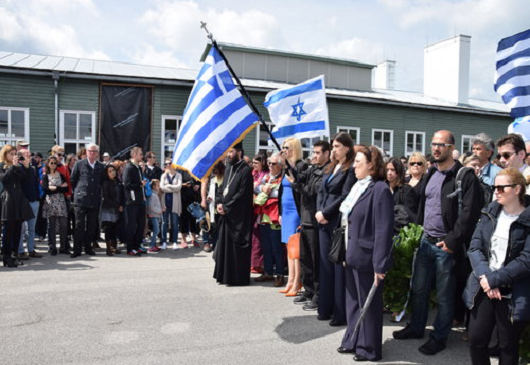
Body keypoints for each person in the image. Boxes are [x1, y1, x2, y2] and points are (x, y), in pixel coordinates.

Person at [393, 130, 483, 356]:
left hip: (446, 246)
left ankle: (440, 336)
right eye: (433, 144)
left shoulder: (464, 176)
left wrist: (451, 241)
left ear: (452, 148)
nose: (436, 148)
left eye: (441, 144)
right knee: (419, 289)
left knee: (444, 295)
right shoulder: (431, 173)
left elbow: (469, 214)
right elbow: (424, 206)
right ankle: (416, 327)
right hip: (426, 241)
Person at [463, 168, 530, 365]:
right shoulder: (490, 211)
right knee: (476, 340)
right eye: (494, 187)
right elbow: (475, 247)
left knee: (508, 347)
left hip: (513, 291)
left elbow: (527, 259)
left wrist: (495, 280)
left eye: (501, 187)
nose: (496, 192)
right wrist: (486, 277)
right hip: (484, 285)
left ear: (517, 189)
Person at [337, 145, 394, 362]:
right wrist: (344, 253)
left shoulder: (379, 190)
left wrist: (380, 265)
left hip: (368, 259)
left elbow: (383, 230)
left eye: (358, 163)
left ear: (371, 165)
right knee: (352, 303)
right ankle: (352, 339)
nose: (353, 167)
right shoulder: (357, 187)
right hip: (352, 254)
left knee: (368, 306)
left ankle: (368, 348)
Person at [316, 132, 357, 326]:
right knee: (325, 267)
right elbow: (321, 191)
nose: (334, 150)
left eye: (337, 147)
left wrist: (326, 214)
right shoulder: (332, 166)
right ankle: (325, 308)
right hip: (322, 219)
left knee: (336, 267)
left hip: (335, 221)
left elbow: (345, 196)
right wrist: (319, 211)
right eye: (333, 147)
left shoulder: (350, 169)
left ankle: (339, 313)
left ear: (347, 148)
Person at [292, 140, 330, 311]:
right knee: (305, 259)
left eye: (317, 153)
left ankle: (318, 294)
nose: (314, 156)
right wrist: (289, 166)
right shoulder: (313, 168)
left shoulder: (326, 171)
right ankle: (308, 290)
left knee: (316, 261)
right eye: (313, 152)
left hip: (316, 222)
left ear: (326, 153)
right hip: (305, 219)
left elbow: (312, 190)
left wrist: (299, 185)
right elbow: (300, 178)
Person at [213, 144, 254, 286]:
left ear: (239, 152)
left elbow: (242, 194)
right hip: (226, 215)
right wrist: (219, 203)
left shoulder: (246, 170)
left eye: (231, 152)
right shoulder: (229, 168)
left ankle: (237, 278)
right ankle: (224, 276)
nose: (228, 155)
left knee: (235, 248)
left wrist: (227, 207)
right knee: (225, 247)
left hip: (238, 217)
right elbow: (222, 188)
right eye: (228, 151)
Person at [280, 137, 308, 293]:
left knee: (295, 247)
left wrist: (287, 165)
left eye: (288, 148)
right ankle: (290, 279)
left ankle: (297, 280)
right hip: (286, 209)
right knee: (288, 246)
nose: (284, 150)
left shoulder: (300, 165)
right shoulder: (287, 166)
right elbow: (281, 190)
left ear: (295, 149)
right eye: (283, 147)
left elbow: (298, 181)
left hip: (296, 210)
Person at [0, 145, 34, 267]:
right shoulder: (2, 166)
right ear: (5, 154)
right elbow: (4, 179)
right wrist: (13, 167)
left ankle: (15, 255)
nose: (14, 156)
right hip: (8, 199)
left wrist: (26, 166)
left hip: (19, 199)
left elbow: (26, 179)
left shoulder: (19, 166)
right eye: (11, 153)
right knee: (8, 230)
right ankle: (7, 256)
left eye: (15, 153)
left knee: (18, 230)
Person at [70, 143, 105, 258]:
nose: (92, 153)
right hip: (80, 200)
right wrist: (78, 192)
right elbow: (73, 180)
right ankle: (77, 249)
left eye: (94, 151)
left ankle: (88, 248)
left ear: (97, 153)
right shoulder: (79, 164)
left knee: (91, 226)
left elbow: (102, 182)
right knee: (79, 225)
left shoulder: (101, 166)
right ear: (86, 151)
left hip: (94, 200)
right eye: (90, 150)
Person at [254, 153, 284, 285]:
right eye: (269, 163)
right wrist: (262, 188)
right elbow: (255, 188)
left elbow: (280, 193)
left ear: (280, 165)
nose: (270, 165)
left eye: (273, 163)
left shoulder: (283, 178)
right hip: (264, 217)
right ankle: (268, 272)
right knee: (265, 247)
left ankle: (280, 274)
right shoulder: (266, 176)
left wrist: (266, 191)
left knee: (277, 247)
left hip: (275, 217)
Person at [17, 147, 42, 259]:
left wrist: (38, 197)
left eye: (29, 154)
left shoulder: (33, 168)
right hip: (22, 202)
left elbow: (36, 183)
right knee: (21, 229)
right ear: (20, 157)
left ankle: (31, 249)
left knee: (31, 229)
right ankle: (20, 251)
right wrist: (25, 166)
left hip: (34, 201)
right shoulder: (17, 168)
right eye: (26, 154)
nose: (29, 156)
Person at [41, 157, 69, 255]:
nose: (53, 164)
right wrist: (59, 187)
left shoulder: (61, 175)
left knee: (63, 225)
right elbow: (46, 189)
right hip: (50, 203)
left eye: (55, 163)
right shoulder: (45, 176)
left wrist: (54, 188)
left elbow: (66, 189)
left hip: (61, 203)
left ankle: (63, 247)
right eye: (51, 163)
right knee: (51, 226)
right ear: (48, 164)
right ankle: (52, 247)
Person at [123, 147, 147, 256]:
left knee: (141, 225)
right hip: (132, 201)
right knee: (132, 225)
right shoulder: (129, 167)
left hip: (140, 200)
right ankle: (130, 248)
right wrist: (140, 184)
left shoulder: (138, 167)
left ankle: (137, 246)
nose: (142, 156)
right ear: (134, 155)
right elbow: (127, 184)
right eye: (140, 154)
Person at [386, 157, 419, 229]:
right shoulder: (383, 188)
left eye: (392, 170)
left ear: (398, 171)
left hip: (400, 232)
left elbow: (411, 216)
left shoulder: (406, 190)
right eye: (387, 169)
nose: (389, 173)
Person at [250, 153, 268, 274]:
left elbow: (261, 190)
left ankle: (258, 264)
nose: (253, 165)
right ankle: (253, 263)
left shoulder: (265, 175)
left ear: (262, 163)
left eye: (256, 163)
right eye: (253, 163)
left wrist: (257, 188)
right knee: (254, 237)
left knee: (259, 239)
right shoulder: (254, 174)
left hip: (262, 209)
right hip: (252, 208)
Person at [202, 161, 225, 252]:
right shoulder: (211, 179)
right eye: (213, 170)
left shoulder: (225, 178)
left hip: (222, 206)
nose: (214, 172)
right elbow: (206, 188)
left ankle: (218, 245)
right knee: (210, 225)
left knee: (219, 227)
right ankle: (210, 243)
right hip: (212, 206)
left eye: (216, 170)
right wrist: (206, 199)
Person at [101, 164, 123, 256]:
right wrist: (116, 206)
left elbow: (122, 195)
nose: (112, 172)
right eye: (110, 171)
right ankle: (108, 248)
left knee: (115, 229)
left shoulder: (118, 181)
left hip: (118, 208)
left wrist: (121, 205)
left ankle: (114, 246)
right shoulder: (106, 183)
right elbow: (106, 197)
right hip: (108, 209)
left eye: (113, 170)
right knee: (108, 229)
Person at [160, 160, 182, 250]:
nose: (167, 165)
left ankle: (175, 242)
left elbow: (179, 187)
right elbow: (161, 187)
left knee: (174, 223)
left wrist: (168, 186)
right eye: (165, 164)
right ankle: (164, 242)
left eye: (169, 163)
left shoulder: (179, 175)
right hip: (165, 202)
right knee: (164, 223)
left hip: (175, 203)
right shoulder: (163, 175)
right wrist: (173, 188)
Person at [179, 170, 200, 248]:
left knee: (193, 219)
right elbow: (176, 184)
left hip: (193, 198)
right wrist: (184, 185)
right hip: (183, 199)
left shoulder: (194, 169)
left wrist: (197, 186)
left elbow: (199, 181)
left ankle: (194, 238)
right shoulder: (180, 171)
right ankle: (183, 239)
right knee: (183, 219)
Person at [147, 179, 163, 253]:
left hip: (155, 214)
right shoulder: (153, 195)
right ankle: (151, 246)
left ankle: (154, 245)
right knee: (156, 230)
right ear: (153, 186)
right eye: (157, 186)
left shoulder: (155, 194)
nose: (159, 187)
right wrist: (160, 210)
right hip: (153, 215)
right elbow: (151, 206)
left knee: (156, 230)